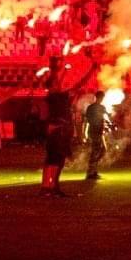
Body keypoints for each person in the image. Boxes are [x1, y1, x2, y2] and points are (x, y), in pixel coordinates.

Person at [40, 55, 95, 196]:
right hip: (59, 128)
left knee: (52, 158)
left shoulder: (54, 96)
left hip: (55, 127)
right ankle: (52, 186)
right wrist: (92, 70)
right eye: (56, 83)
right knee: (58, 158)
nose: (59, 83)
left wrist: (57, 69)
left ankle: (47, 186)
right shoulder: (58, 95)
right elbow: (79, 85)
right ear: (52, 85)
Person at [82, 94, 110, 181]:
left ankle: (93, 170)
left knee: (102, 150)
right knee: (96, 151)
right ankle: (91, 172)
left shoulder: (92, 107)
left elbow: (87, 121)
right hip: (95, 131)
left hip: (97, 131)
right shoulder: (97, 107)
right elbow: (87, 120)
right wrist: (84, 133)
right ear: (100, 98)